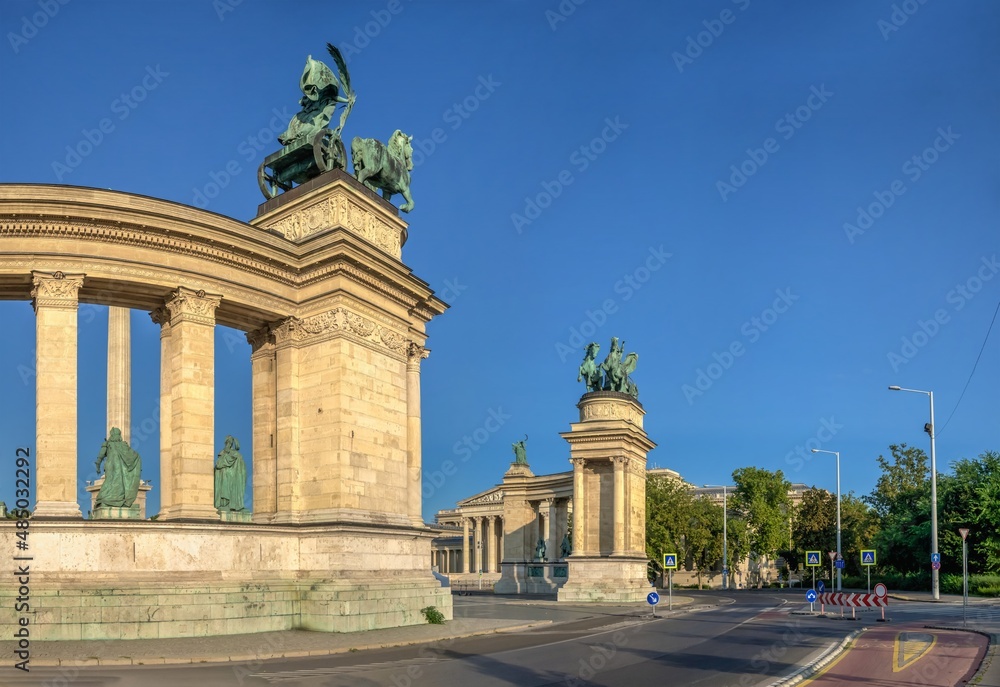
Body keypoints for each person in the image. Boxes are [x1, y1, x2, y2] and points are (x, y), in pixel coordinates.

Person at [94, 428, 142, 508]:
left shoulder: (107, 443)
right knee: (118, 482)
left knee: (110, 481)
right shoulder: (123, 445)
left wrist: (98, 465)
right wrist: (137, 460)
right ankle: (113, 499)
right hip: (118, 467)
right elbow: (132, 456)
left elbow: (100, 456)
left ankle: (106, 499)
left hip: (110, 466)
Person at [214, 435, 247, 512]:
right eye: (227, 442)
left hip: (232, 477)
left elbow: (240, 467)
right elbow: (219, 464)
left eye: (229, 442)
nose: (228, 444)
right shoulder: (223, 453)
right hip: (225, 476)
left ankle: (232, 504)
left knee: (229, 485)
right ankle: (225, 503)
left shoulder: (235, 454)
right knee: (225, 483)